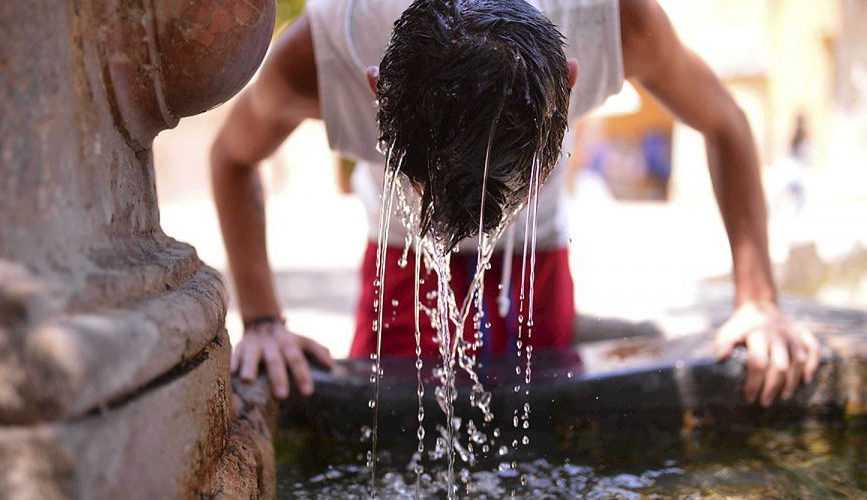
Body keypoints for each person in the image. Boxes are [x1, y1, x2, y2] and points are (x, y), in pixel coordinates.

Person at [210, 0, 821, 407]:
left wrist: (758, 299)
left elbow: (727, 125)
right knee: (389, 436)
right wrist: (263, 319)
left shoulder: (613, 20)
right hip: (407, 263)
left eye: (514, 184)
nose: (482, 225)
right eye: (428, 183)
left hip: (538, 262)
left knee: (551, 434)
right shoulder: (323, 51)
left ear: (570, 84)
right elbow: (231, 159)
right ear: (376, 91)